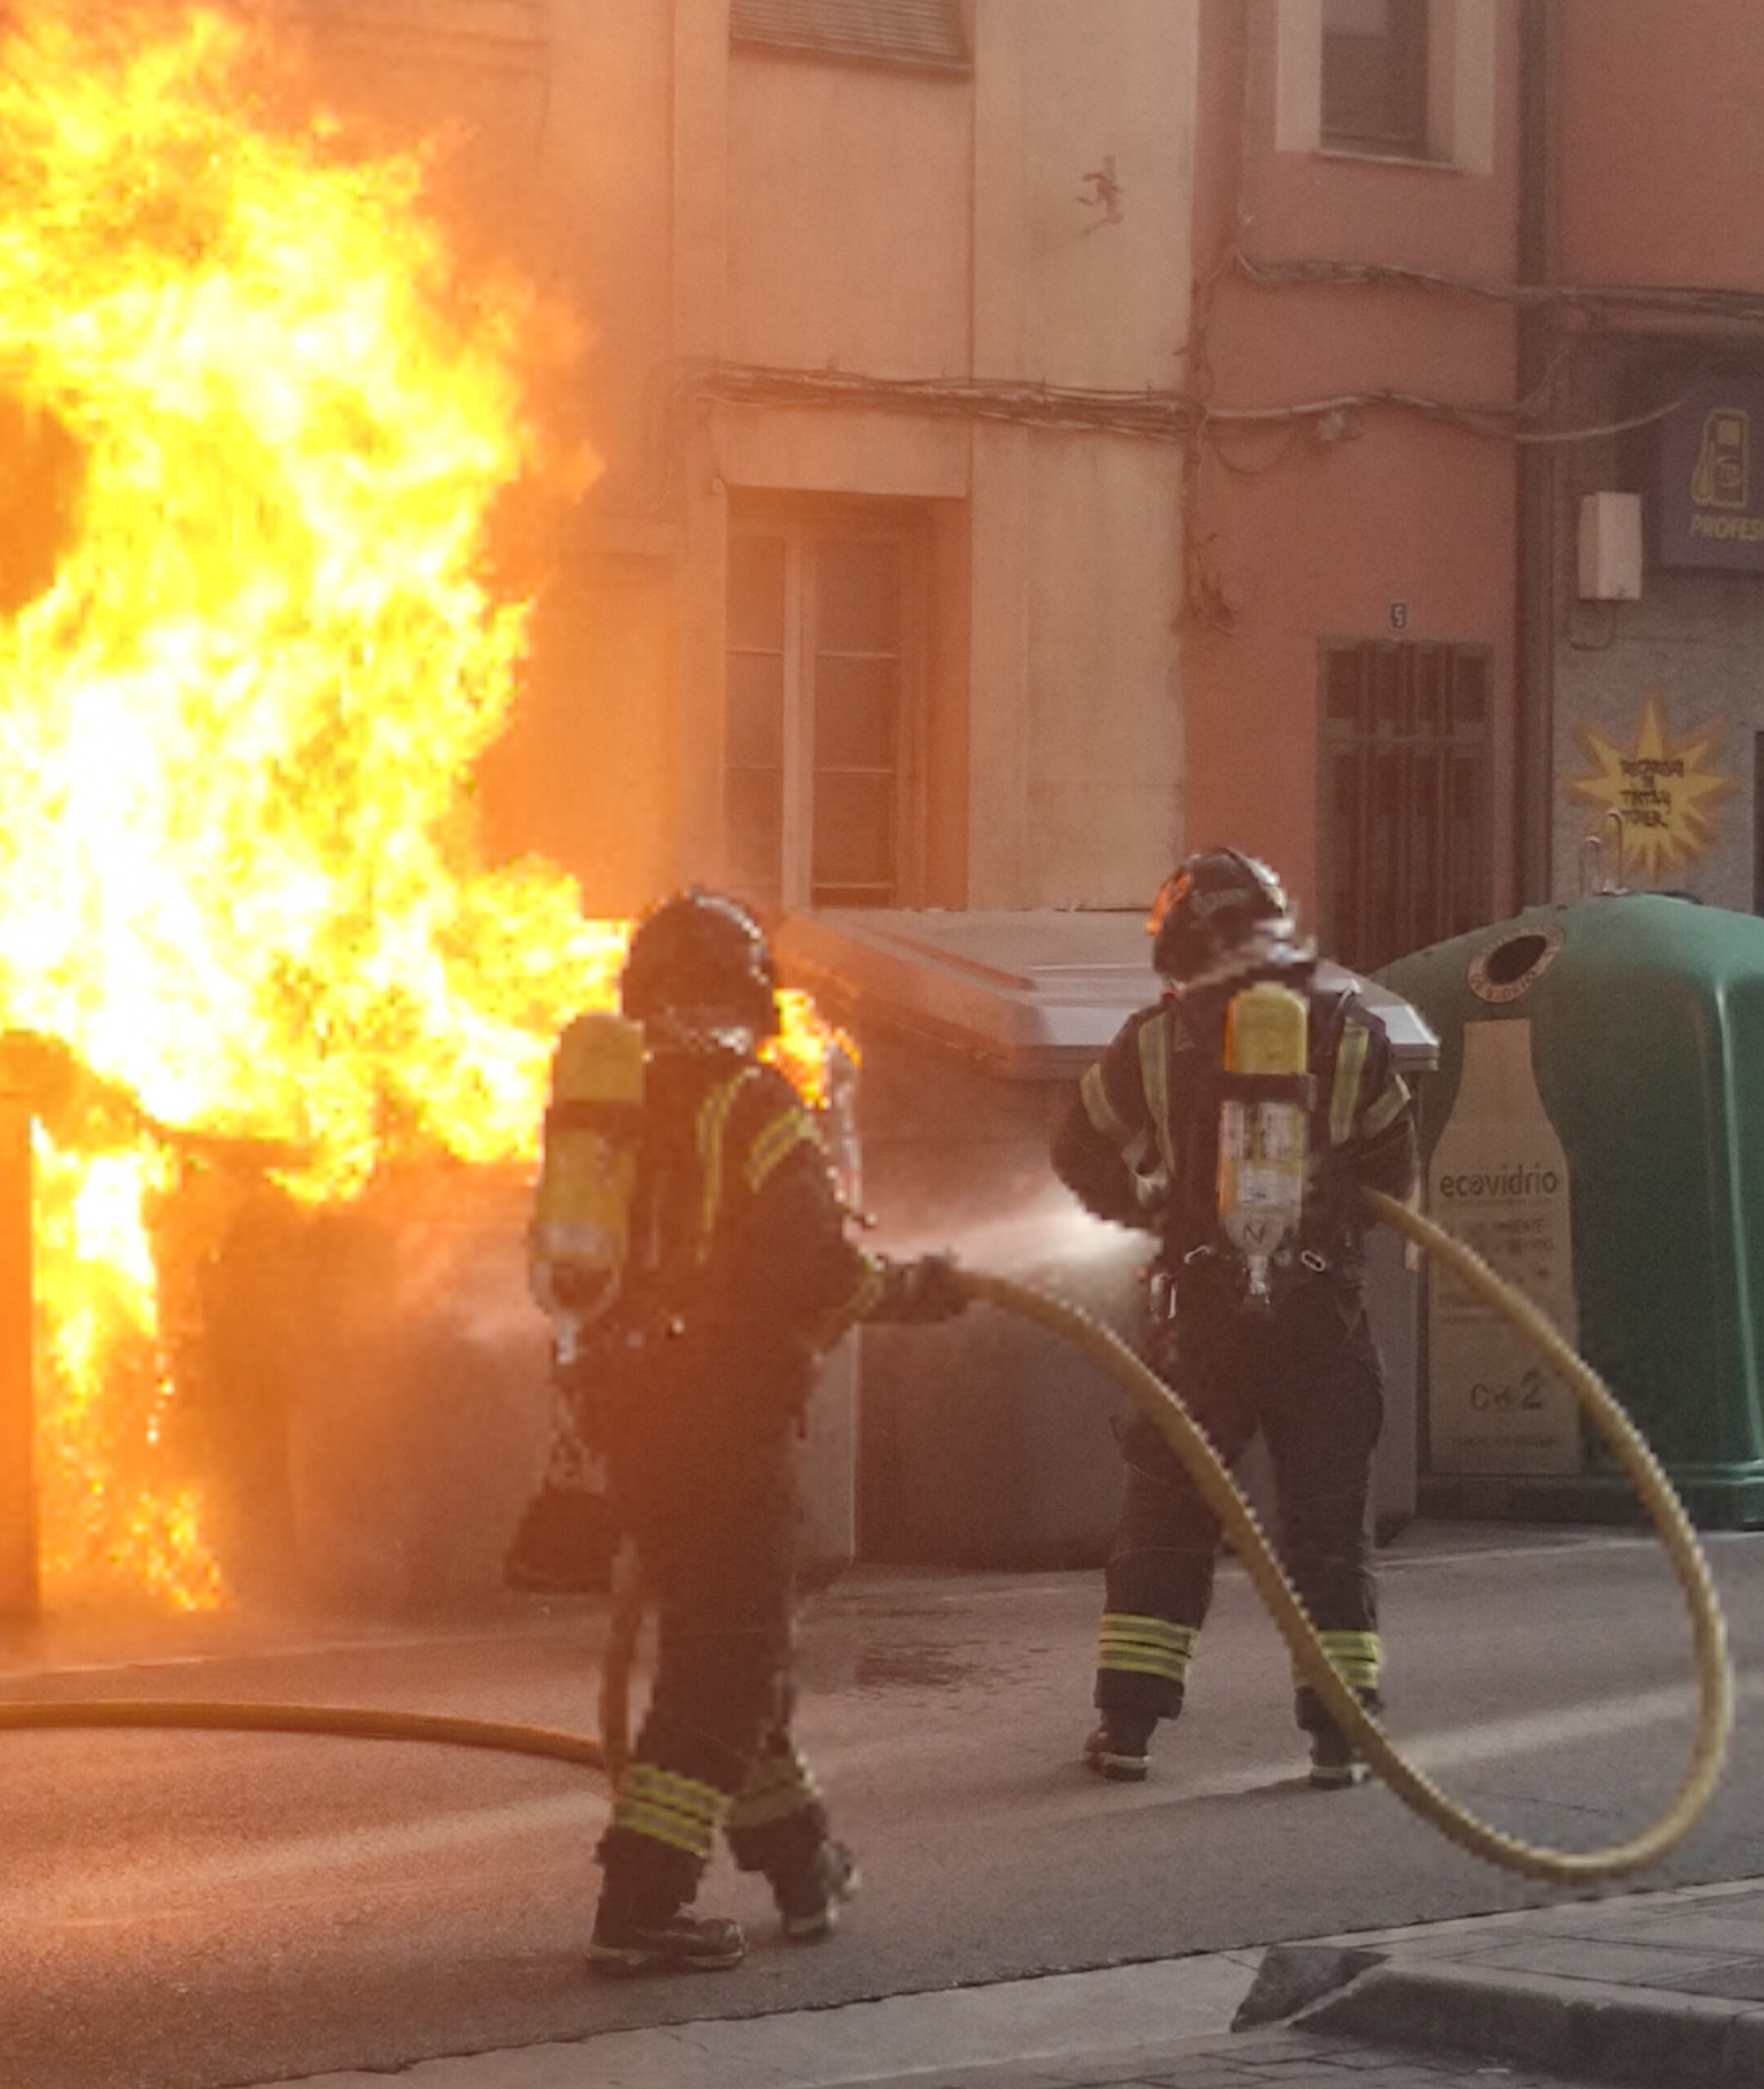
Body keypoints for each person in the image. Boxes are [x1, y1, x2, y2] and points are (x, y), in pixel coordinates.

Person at [537, 889, 967, 1978]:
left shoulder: (612, 1103)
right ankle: (642, 1903)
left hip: (632, 1419)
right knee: (726, 1664)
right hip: (727, 1419)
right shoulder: (753, 1102)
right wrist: (912, 1288)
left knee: (728, 1652)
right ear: (749, 997)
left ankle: (801, 1864)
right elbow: (809, 1268)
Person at [1051, 846, 1419, 1790]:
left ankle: (1127, 1732)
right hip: (1321, 1326)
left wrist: (1152, 1206)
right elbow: (1391, 1171)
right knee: (1327, 1530)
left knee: (1168, 1522)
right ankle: (1340, 1740)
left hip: (1202, 1325)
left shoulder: (1149, 1041)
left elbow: (1076, 1149)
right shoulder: (1350, 1032)